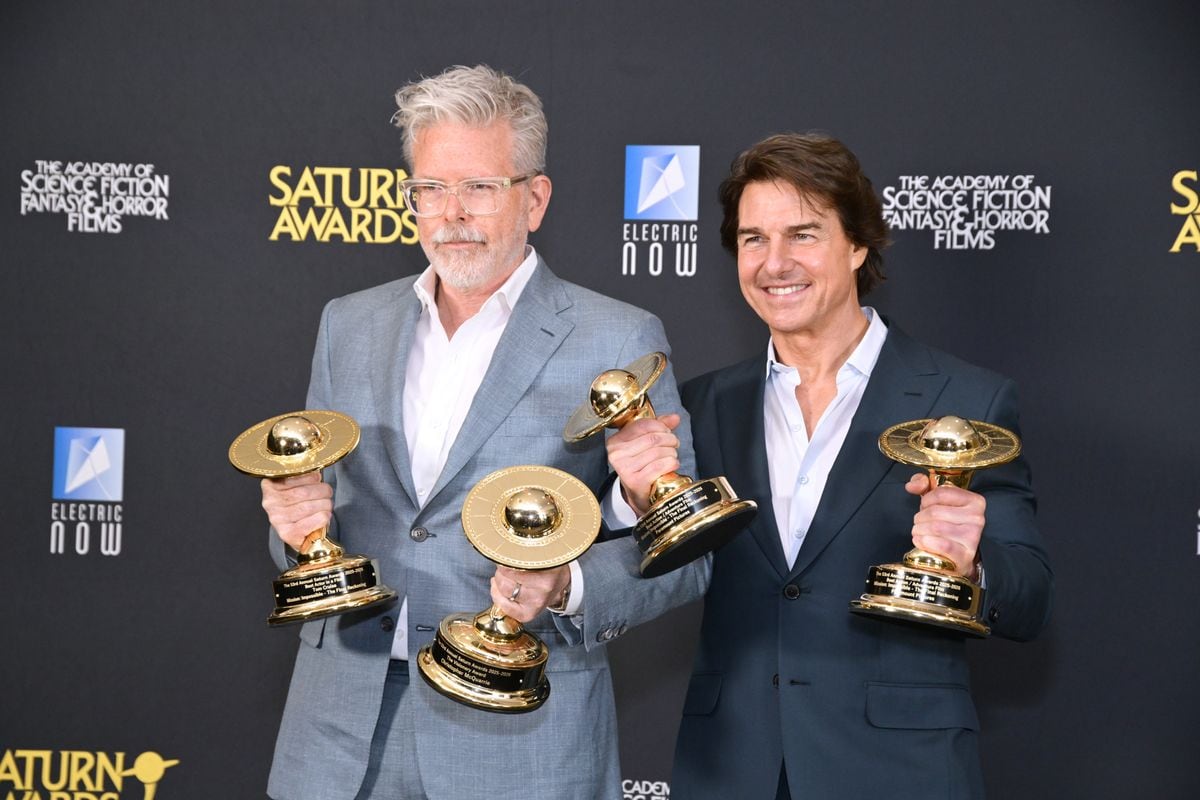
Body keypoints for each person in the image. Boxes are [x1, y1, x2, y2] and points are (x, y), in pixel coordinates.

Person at [258, 65, 702, 800]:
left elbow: (685, 556)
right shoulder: (347, 324)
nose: (451, 213)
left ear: (536, 199)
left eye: (479, 187)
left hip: (519, 745)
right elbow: (309, 532)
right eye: (430, 188)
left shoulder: (617, 337)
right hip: (337, 742)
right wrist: (295, 529)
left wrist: (565, 585)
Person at [665, 133, 1053, 799]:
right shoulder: (699, 405)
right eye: (754, 239)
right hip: (729, 769)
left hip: (897, 772)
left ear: (858, 244)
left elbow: (1031, 598)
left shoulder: (964, 400)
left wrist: (972, 563)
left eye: (803, 234)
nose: (775, 262)